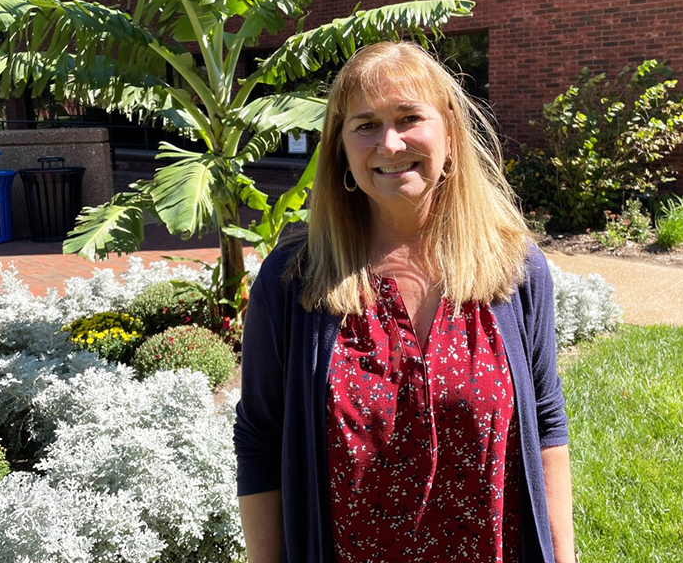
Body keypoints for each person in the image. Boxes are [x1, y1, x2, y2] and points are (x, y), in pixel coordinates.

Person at [234, 41, 575, 563]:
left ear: (451, 134)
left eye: (409, 117)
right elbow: (260, 440)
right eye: (365, 125)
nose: (389, 144)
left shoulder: (514, 268)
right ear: (341, 151)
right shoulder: (292, 281)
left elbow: (547, 425)